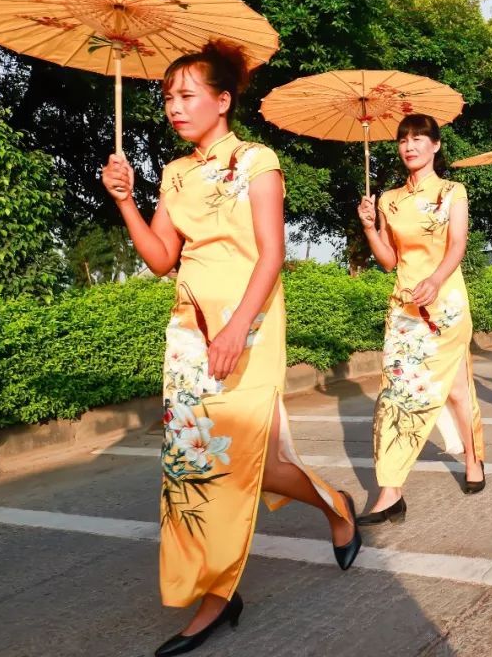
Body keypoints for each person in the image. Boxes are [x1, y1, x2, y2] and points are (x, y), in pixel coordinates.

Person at [101, 41, 359, 657]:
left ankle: (216, 599)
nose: (174, 107)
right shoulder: (175, 172)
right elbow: (163, 258)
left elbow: (272, 252)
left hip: (249, 324)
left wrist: (239, 326)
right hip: (189, 333)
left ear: (223, 100)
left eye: (187, 95)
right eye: (167, 97)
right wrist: (125, 201)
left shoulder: (257, 160)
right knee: (196, 463)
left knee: (232, 459)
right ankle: (334, 506)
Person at [357, 113, 486, 525]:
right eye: (403, 140)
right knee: (396, 393)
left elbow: (458, 244)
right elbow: (391, 260)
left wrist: (434, 280)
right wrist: (370, 229)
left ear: (435, 145)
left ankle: (472, 457)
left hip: (444, 304)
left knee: (456, 393)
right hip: (404, 308)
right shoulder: (388, 200)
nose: (409, 146)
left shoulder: (453, 191)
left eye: (418, 138)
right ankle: (391, 490)